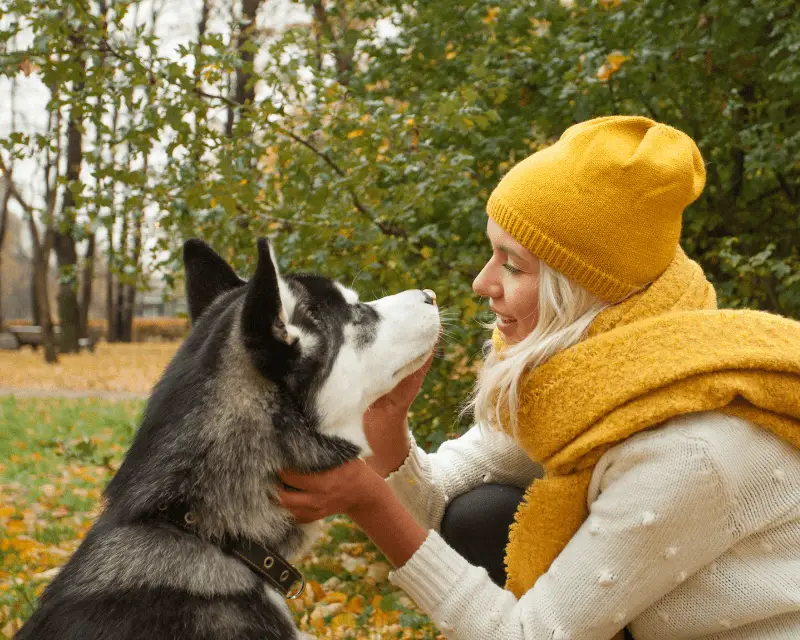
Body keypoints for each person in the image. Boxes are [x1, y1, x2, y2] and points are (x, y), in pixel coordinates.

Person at [277, 116, 800, 639]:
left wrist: (368, 499)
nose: (482, 283)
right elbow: (436, 506)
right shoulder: (590, 380)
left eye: (513, 266)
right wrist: (387, 426)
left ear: (580, 290)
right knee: (479, 516)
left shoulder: (689, 448)